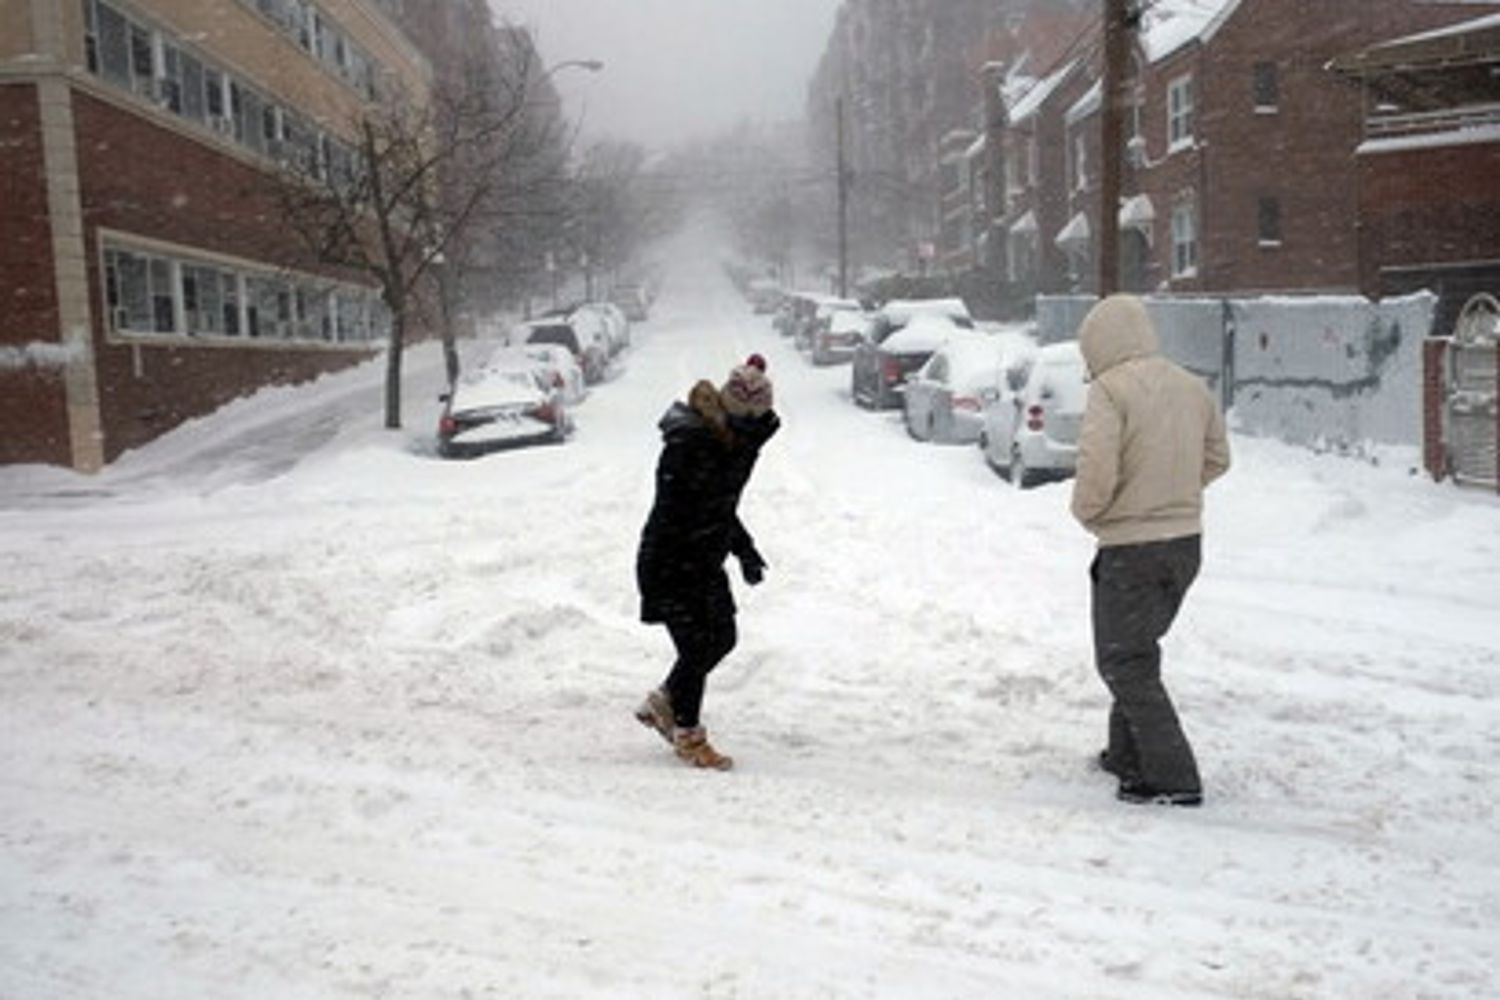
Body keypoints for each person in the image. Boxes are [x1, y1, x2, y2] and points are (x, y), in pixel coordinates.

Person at [1070, 294, 1230, 807]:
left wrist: (1093, 513)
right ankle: (1125, 754)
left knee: (1125, 660)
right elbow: (1218, 458)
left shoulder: (1110, 390)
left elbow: (1097, 469)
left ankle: (1172, 776)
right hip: (1185, 545)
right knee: (1138, 652)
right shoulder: (1190, 385)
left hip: (1130, 548)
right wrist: (1174, 496)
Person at [634, 356, 779, 770]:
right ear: (735, 417)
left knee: (723, 638)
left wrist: (744, 550)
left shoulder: (726, 443)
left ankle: (663, 700)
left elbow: (718, 508)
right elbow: (688, 511)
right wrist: (709, 550)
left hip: (702, 560)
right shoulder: (692, 446)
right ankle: (688, 734)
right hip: (672, 562)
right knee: (698, 645)